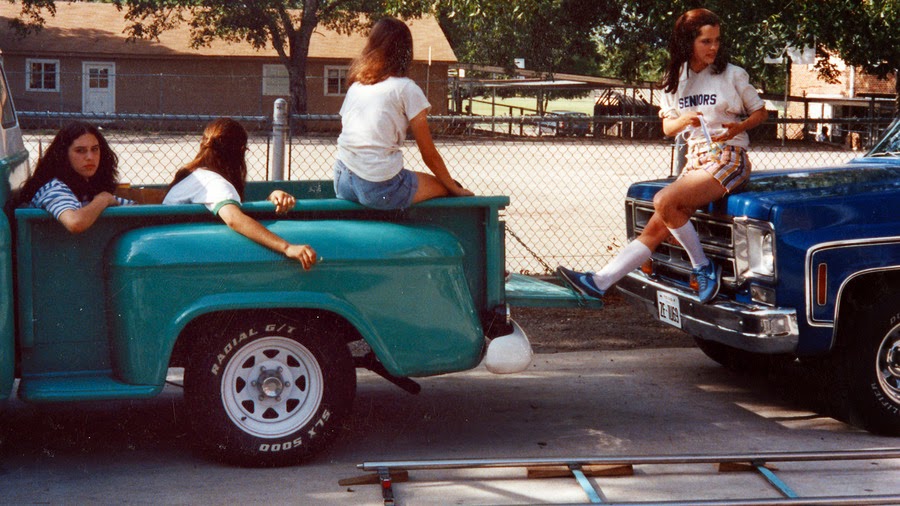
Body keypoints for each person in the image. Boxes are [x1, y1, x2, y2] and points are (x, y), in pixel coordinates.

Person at [557, 8, 768, 304]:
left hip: (728, 156)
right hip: (694, 158)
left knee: (664, 201)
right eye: (706, 41)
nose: (714, 47)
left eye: (717, 40)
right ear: (687, 42)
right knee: (658, 225)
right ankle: (599, 282)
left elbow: (761, 112)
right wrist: (684, 121)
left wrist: (739, 127)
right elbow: (668, 127)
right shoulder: (674, 81)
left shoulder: (732, 74)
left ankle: (703, 268)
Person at [333, 17, 473, 210]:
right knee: (445, 185)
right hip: (379, 187)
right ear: (405, 52)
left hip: (342, 181)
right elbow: (428, 154)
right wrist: (454, 188)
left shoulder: (356, 87)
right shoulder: (406, 88)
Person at [162, 118, 317, 270]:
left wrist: (271, 198)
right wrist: (287, 247)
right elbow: (234, 219)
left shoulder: (194, 175)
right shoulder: (214, 182)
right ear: (241, 151)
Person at [11, 121, 135, 234]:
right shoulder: (54, 188)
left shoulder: (87, 185)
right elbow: (75, 223)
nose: (90, 157)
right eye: (80, 150)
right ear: (64, 155)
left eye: (95, 149)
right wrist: (103, 200)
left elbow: (133, 207)